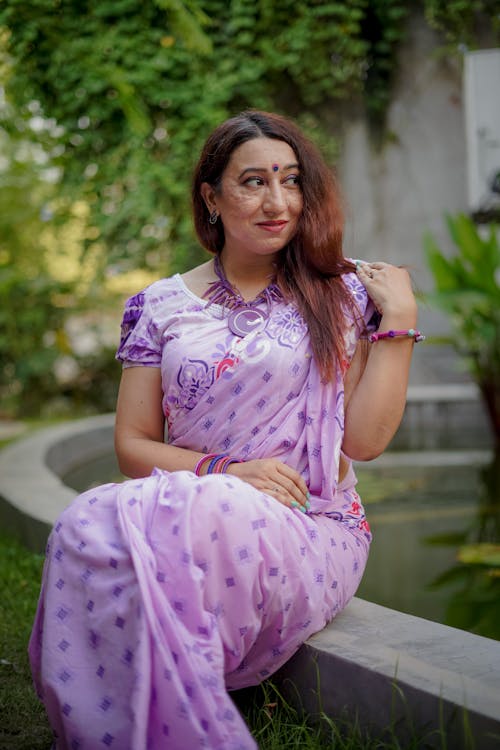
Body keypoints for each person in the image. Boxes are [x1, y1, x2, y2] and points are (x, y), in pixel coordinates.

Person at [29, 110, 421, 750]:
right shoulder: (160, 306)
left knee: (204, 516)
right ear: (211, 197)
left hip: (309, 520)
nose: (278, 202)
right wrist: (225, 471)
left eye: (291, 180)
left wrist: (398, 321)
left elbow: (365, 443)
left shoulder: (343, 293)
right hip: (201, 498)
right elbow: (132, 447)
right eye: (253, 182)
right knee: (83, 523)